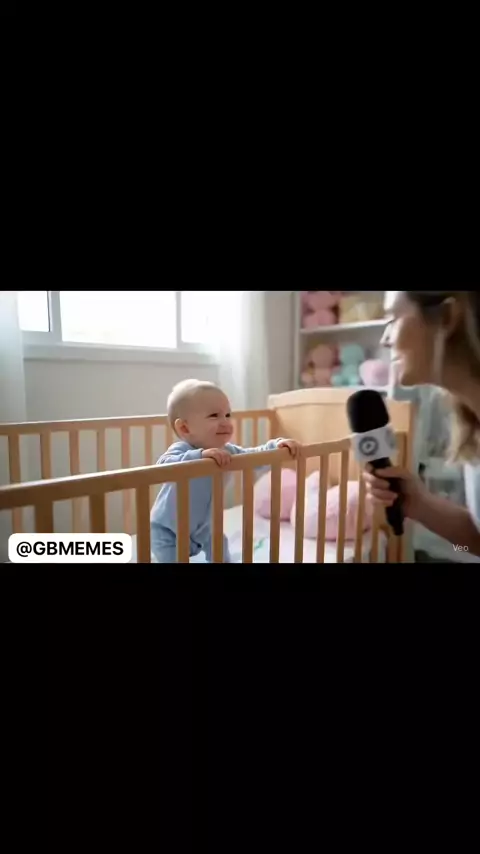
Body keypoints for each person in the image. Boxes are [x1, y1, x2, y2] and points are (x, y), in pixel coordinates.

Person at [364, 290, 480, 560]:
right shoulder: (471, 424)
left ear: (447, 317)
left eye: (393, 319)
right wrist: (421, 504)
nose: (385, 339)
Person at [150, 379, 300, 563]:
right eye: (214, 415)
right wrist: (199, 456)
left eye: (228, 415)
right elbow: (163, 466)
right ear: (185, 428)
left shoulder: (228, 451)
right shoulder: (182, 450)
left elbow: (254, 457)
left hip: (204, 529)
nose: (225, 422)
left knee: (219, 545)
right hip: (168, 532)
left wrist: (276, 446)